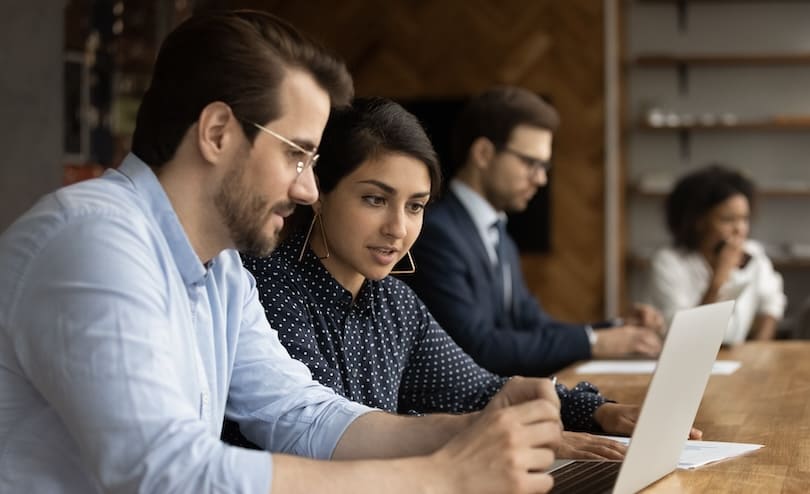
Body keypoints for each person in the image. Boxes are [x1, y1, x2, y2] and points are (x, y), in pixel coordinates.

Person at [0, 11, 563, 493]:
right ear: (218, 132)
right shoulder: (94, 240)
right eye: (298, 155)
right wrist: (440, 477)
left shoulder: (220, 269)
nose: (308, 190)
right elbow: (164, 473)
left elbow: (300, 414)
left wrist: (472, 431)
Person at [238, 97, 649, 461]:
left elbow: (475, 390)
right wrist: (480, 432)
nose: (398, 228)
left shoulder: (394, 301)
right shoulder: (269, 286)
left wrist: (597, 411)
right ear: (319, 192)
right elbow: (327, 433)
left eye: (415, 206)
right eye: (375, 199)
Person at [405, 86, 663, 377]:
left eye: (544, 166)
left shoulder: (500, 236)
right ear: (484, 153)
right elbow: (476, 347)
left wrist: (617, 330)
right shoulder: (435, 233)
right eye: (531, 163)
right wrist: (595, 342)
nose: (540, 179)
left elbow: (534, 325)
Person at [646, 164, 786, 344]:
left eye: (744, 219)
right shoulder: (668, 263)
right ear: (698, 221)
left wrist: (760, 348)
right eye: (728, 220)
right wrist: (719, 279)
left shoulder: (754, 254)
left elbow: (771, 303)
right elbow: (687, 337)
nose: (740, 230)